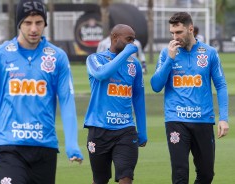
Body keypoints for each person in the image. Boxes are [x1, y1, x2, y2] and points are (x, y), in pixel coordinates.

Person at [0, 0, 83, 183]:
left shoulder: (57, 57)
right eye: (28, 23)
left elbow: (67, 101)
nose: (34, 29)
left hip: (45, 146)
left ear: (45, 23)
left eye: (39, 22)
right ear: (19, 23)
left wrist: (72, 146)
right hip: (9, 145)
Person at [150, 12, 229, 184]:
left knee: (206, 174)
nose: (174, 37)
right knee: (180, 174)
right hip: (176, 119)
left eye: (178, 32)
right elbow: (156, 86)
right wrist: (169, 60)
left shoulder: (209, 53)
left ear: (190, 29)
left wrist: (223, 118)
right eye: (172, 33)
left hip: (203, 120)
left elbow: (221, 85)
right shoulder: (166, 54)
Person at [85, 24, 147, 184]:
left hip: (125, 130)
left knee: (126, 177)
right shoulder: (95, 59)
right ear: (114, 38)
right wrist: (125, 53)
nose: (132, 44)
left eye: (133, 40)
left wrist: (143, 130)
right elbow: (101, 73)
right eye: (128, 39)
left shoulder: (135, 65)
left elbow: (139, 97)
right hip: (98, 128)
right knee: (100, 180)